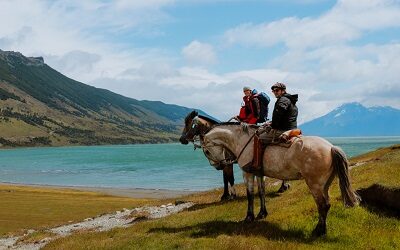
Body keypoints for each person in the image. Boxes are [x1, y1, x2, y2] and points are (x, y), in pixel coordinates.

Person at [252, 82, 298, 171]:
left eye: (277, 90)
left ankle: (257, 165)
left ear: (283, 91)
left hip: (283, 129)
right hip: (292, 128)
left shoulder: (283, 100)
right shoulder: (291, 100)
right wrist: (271, 122)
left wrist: (272, 125)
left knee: (258, 138)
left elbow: (278, 115)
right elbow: (284, 116)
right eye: (273, 91)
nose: (275, 92)